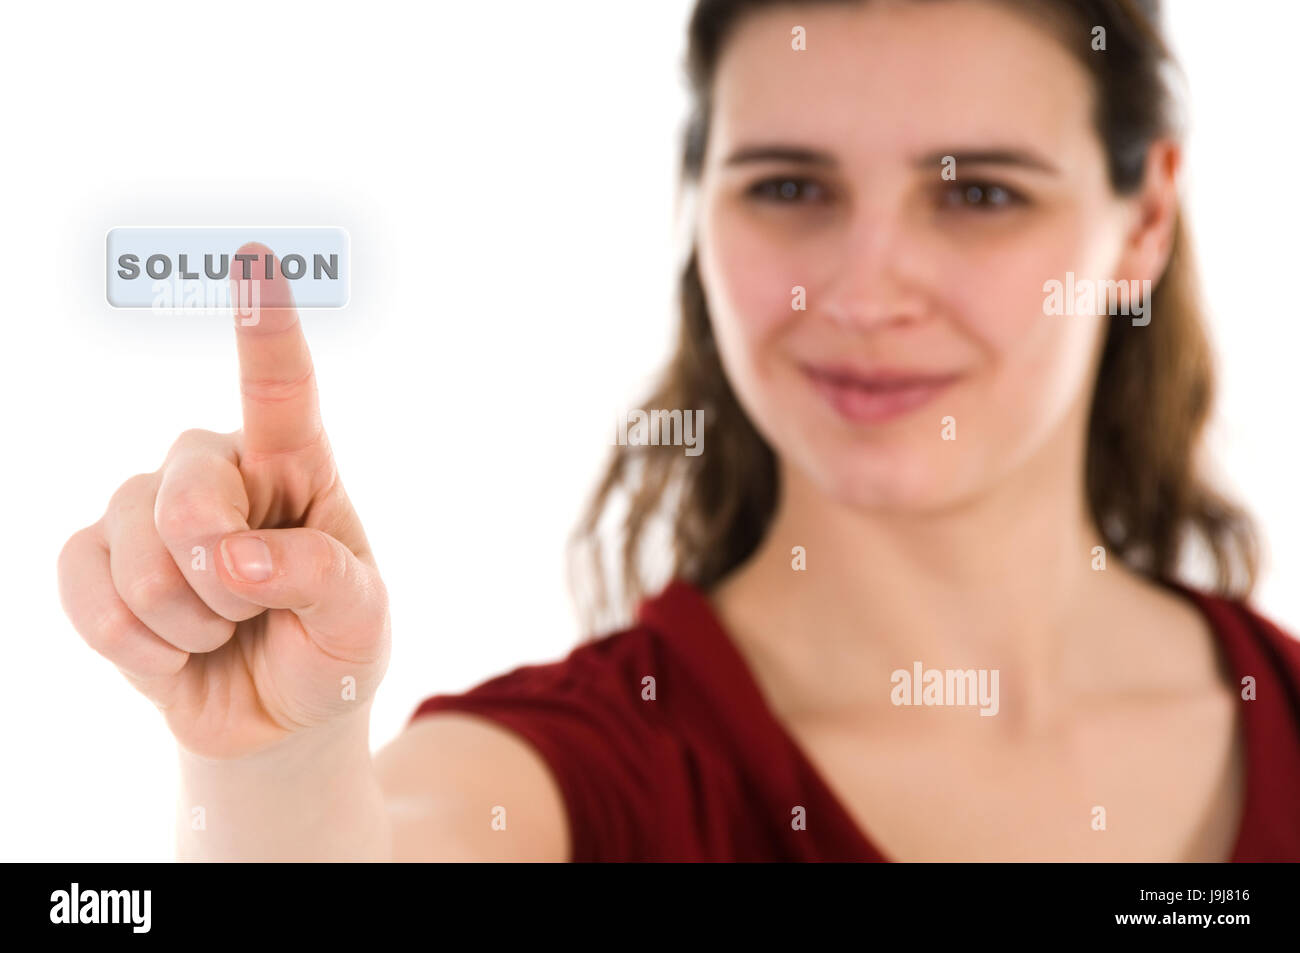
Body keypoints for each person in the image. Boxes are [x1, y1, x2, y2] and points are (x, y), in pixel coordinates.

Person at [57, 0, 1300, 862]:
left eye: (979, 192)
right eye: (789, 187)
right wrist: (279, 762)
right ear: (698, 214)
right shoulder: (602, 767)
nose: (863, 291)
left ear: (1141, 226)